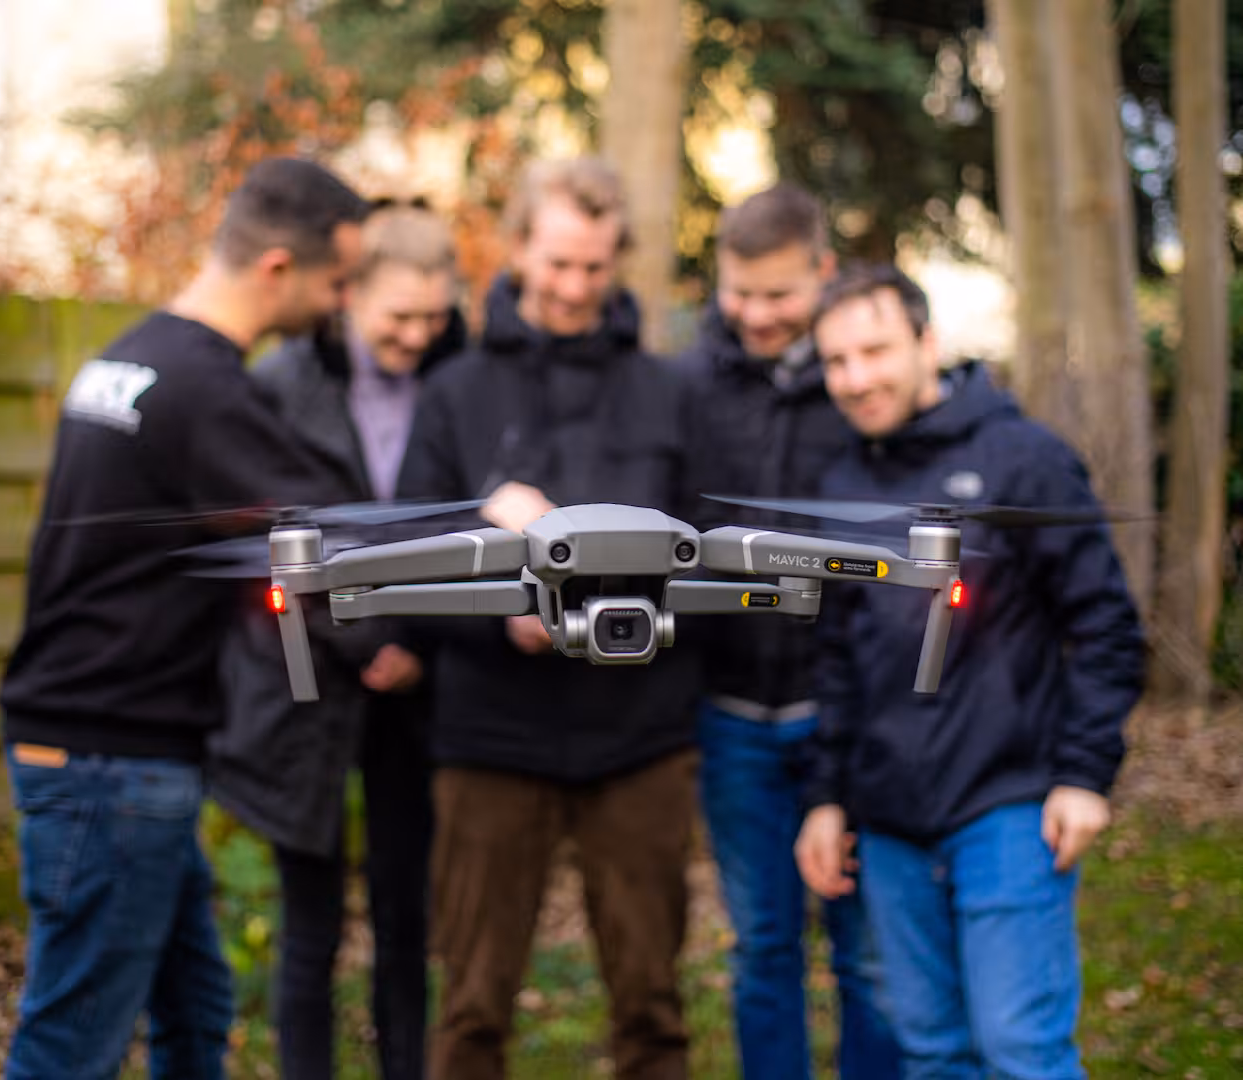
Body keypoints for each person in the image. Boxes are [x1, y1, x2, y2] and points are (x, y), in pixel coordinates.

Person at [0, 158, 372, 1080]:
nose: (343, 303)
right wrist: (491, 524)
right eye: (338, 281)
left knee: (197, 1016)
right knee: (70, 1045)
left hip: (106, 746)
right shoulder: (204, 391)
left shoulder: (128, 359)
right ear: (278, 268)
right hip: (111, 761)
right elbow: (328, 532)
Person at [794, 263, 1145, 1078]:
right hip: (887, 825)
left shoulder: (1022, 459)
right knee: (932, 1053)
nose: (855, 379)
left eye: (874, 352)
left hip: (1009, 808)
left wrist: (1085, 775)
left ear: (927, 341)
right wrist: (826, 797)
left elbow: (1105, 623)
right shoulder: (841, 486)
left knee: (1019, 1050)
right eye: (836, 362)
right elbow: (837, 658)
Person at [395, 157, 700, 1080]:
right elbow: (411, 564)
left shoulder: (666, 391)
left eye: (595, 268)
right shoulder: (454, 392)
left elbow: (711, 555)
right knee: (473, 1006)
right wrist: (501, 619)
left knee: (651, 1004)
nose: (574, 288)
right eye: (559, 263)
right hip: (492, 738)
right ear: (519, 247)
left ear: (619, 264)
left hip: (639, 737)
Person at [209, 200, 465, 1080]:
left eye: (434, 318)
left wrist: (418, 642)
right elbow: (265, 536)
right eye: (400, 317)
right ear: (349, 294)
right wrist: (361, 642)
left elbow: (472, 520)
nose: (417, 336)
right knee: (309, 921)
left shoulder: (458, 381)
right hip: (306, 681)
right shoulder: (279, 384)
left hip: (418, 684)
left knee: (406, 917)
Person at [677, 182, 898, 1080]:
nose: (757, 315)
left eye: (779, 295)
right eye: (740, 293)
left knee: (867, 949)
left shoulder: (860, 386)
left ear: (822, 273)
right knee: (763, 941)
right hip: (731, 713)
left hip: (844, 711)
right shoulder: (688, 383)